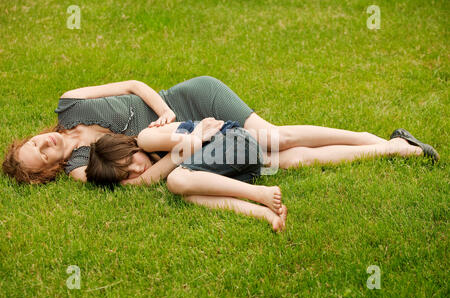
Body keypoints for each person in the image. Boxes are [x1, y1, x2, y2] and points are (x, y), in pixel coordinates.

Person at [2, 76, 439, 184]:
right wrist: (176, 153)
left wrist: (167, 111)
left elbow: (134, 85)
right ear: (48, 169)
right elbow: (137, 184)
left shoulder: (69, 103)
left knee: (275, 137)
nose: (44, 144)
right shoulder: (81, 167)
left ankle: (371, 140)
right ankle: (391, 148)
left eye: (34, 143)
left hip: (193, 99)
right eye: (41, 155)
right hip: (190, 140)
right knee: (281, 158)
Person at [86, 117, 288, 232]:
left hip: (234, 142)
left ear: (129, 146)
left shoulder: (146, 139)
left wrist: (139, 181)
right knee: (188, 193)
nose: (137, 171)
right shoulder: (183, 173)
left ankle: (260, 193)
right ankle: (264, 213)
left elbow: (192, 145)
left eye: (131, 162)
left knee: (176, 181)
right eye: (127, 175)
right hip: (235, 168)